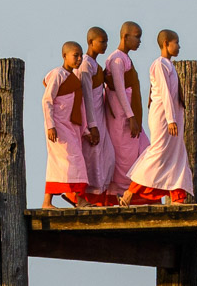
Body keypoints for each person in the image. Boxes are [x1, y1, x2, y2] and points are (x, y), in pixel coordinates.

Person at [120, 29, 193, 206]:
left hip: (173, 117)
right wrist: (170, 119)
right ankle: (131, 191)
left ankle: (178, 197)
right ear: (166, 43)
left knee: (177, 154)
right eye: (176, 42)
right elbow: (165, 93)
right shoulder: (159, 64)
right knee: (158, 152)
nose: (179, 46)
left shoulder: (169, 65)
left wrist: (175, 118)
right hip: (163, 117)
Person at [41, 41, 91, 209]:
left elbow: (79, 107)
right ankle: (79, 199)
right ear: (64, 56)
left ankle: (49, 201)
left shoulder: (74, 77)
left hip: (71, 127)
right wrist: (50, 125)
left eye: (81, 56)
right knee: (74, 161)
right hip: (58, 126)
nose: (79, 59)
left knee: (67, 163)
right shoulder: (58, 74)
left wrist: (85, 130)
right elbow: (47, 100)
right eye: (75, 55)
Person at [105, 21, 150, 196]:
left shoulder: (124, 58)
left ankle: (134, 193)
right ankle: (121, 194)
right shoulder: (116, 59)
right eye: (137, 37)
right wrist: (131, 117)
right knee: (124, 157)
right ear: (125, 36)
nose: (139, 41)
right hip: (121, 117)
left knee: (145, 150)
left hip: (130, 116)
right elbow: (120, 90)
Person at [76, 26, 117, 205]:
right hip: (91, 117)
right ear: (90, 42)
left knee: (108, 157)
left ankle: (100, 198)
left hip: (100, 117)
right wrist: (91, 126)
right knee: (92, 157)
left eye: (107, 41)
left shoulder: (95, 65)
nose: (105, 45)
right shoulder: (85, 64)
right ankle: (83, 197)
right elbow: (86, 97)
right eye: (102, 41)